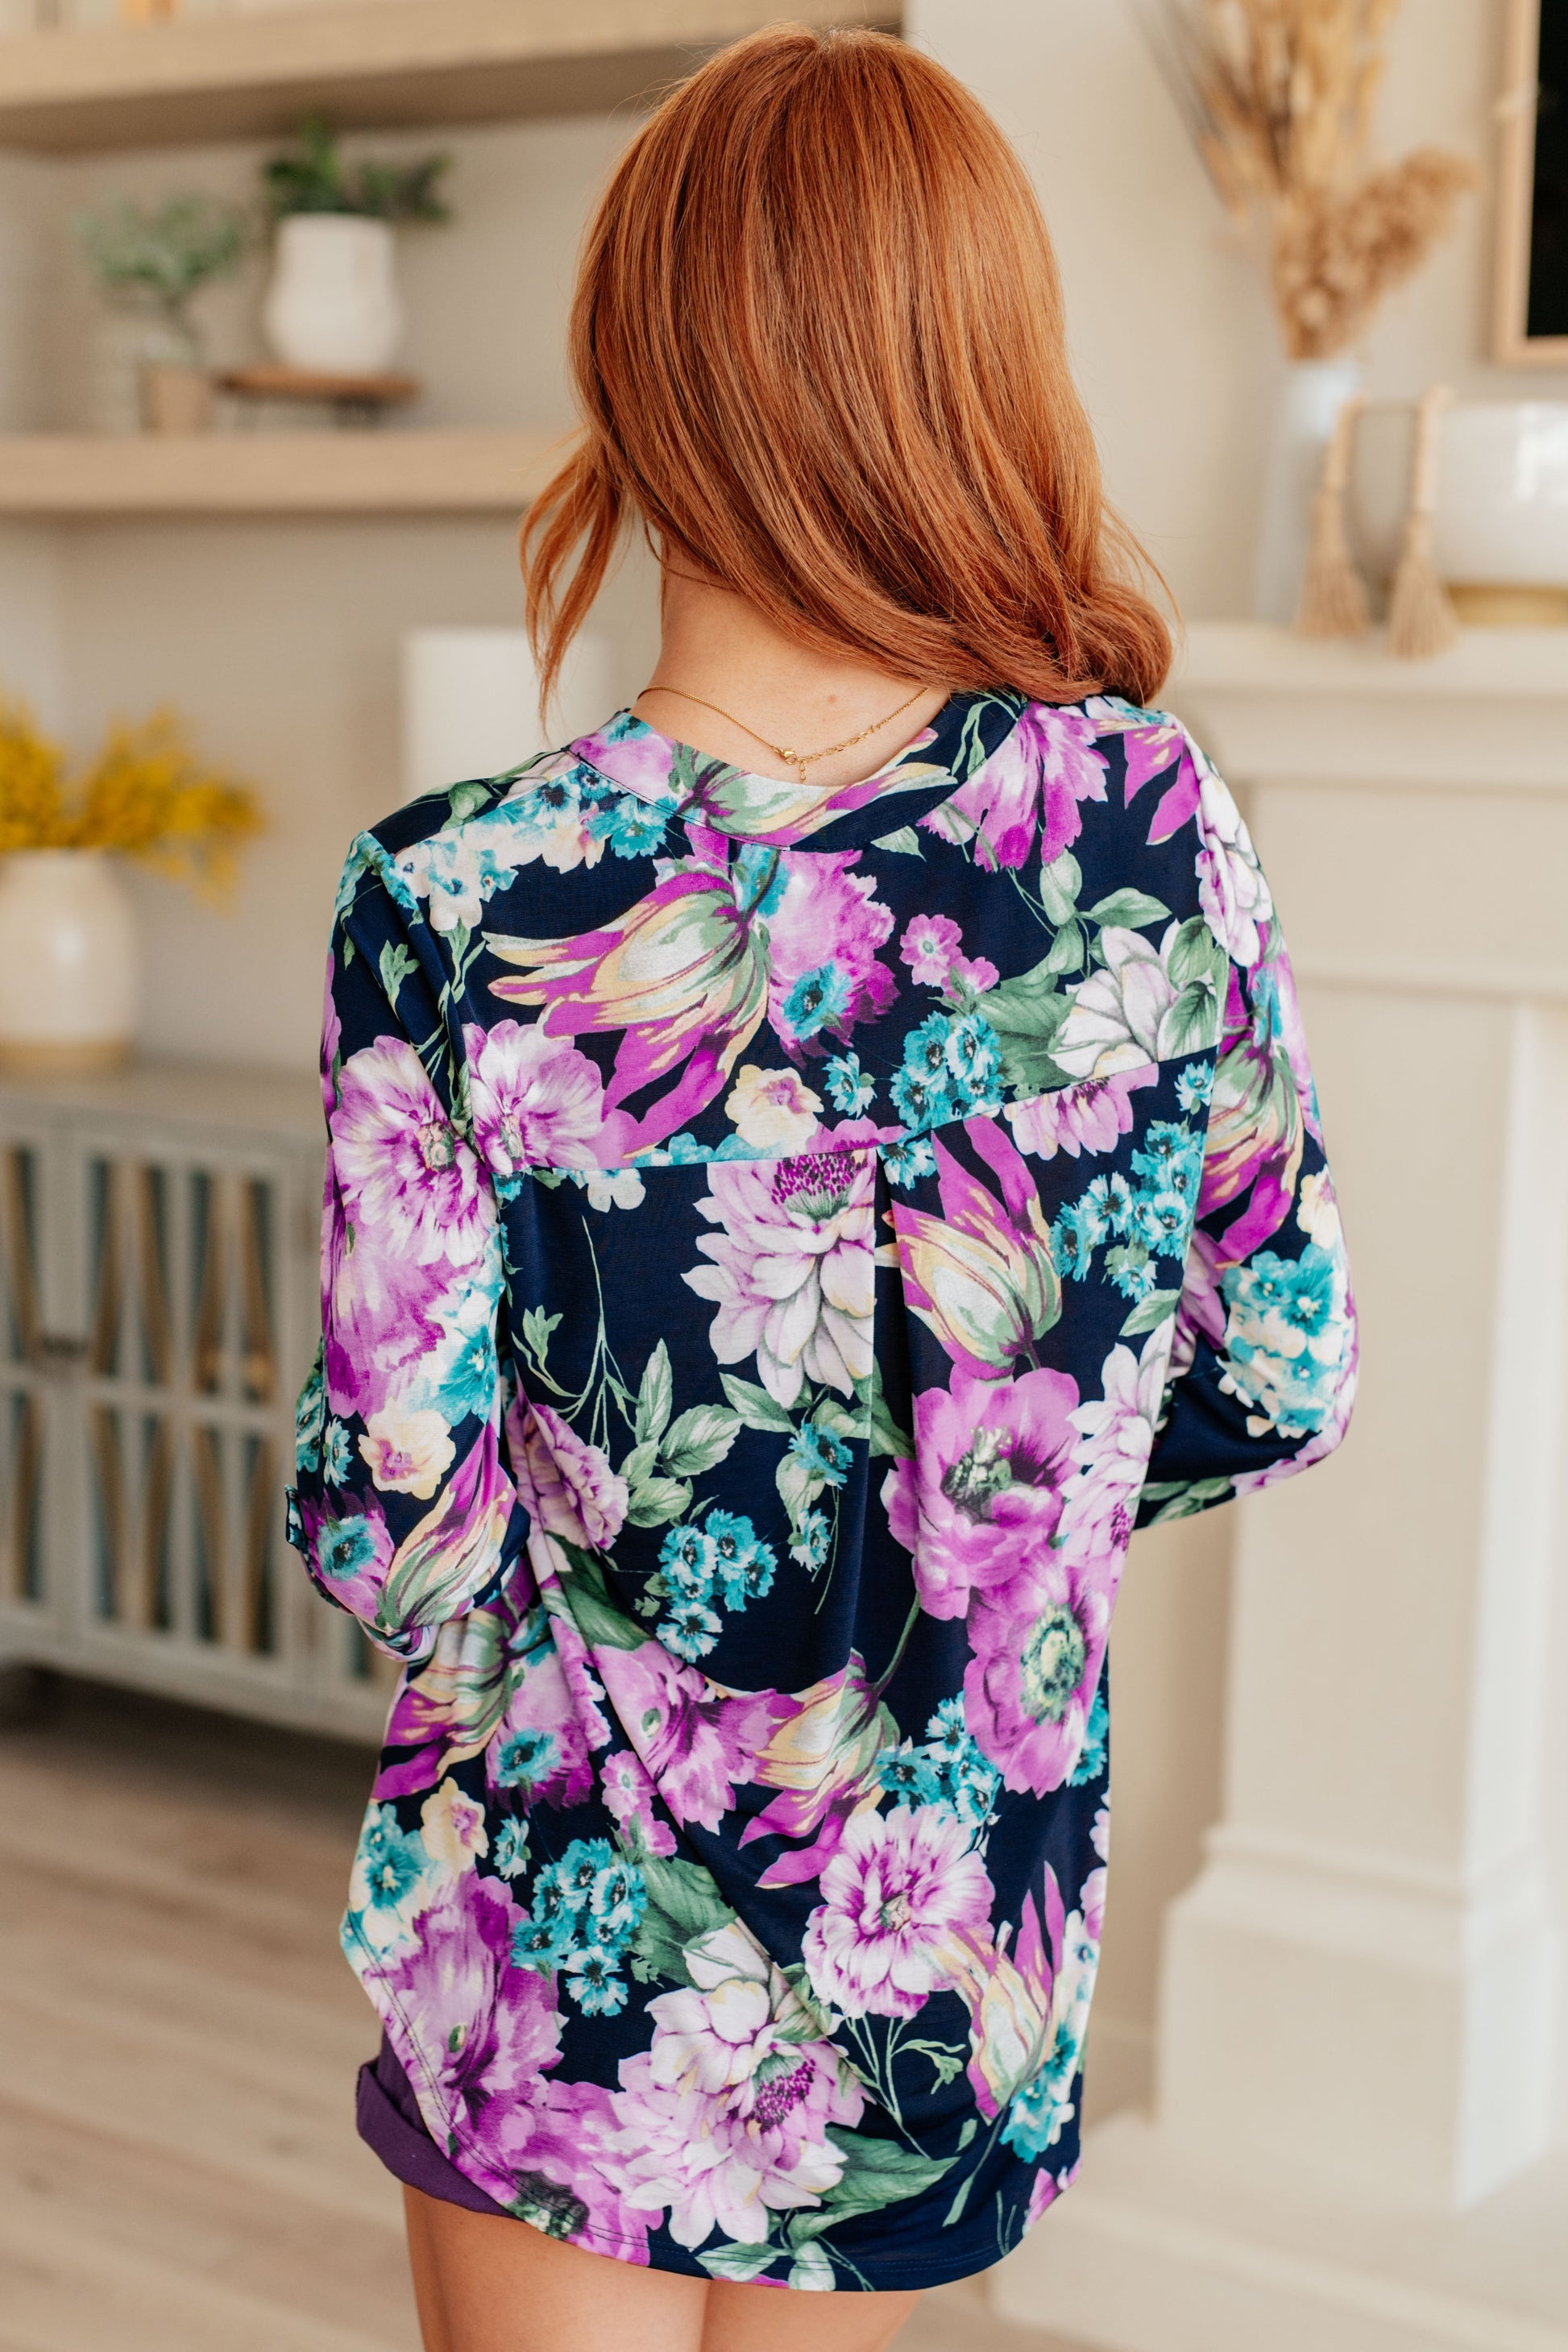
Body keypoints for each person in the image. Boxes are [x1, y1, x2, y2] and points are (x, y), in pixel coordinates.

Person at [288, 24, 1358, 2352]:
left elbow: (402, 1531)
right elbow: (1276, 1366)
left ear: (628, 379)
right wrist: (985, 1548)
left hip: (566, 1944)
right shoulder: (1149, 830)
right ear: (983, 372)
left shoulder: (462, 897)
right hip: (950, 1946)